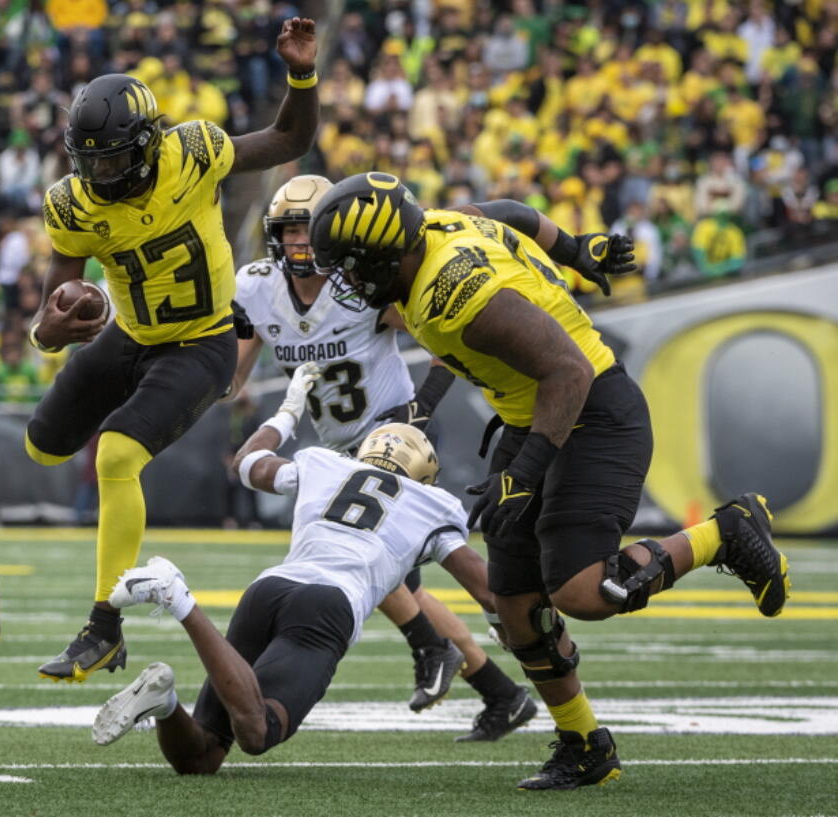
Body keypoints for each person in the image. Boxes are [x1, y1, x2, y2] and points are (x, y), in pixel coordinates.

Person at [307, 172, 792, 789]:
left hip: (591, 412)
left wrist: (524, 473)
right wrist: (575, 248)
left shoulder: (455, 292)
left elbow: (567, 371)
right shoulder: (435, 226)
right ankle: (585, 744)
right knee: (514, 604)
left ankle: (725, 532)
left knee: (584, 593)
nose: (345, 281)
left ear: (385, 256)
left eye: (351, 265)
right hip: (535, 416)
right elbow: (510, 210)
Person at [25, 17, 321, 683]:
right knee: (41, 445)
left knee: (118, 453)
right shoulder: (72, 205)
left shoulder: (191, 152)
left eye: (108, 158)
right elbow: (50, 316)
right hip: (128, 335)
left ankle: (104, 626)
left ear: (142, 145)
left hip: (202, 339)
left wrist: (300, 73)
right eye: (88, 160)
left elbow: (290, 138)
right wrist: (58, 326)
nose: (97, 172)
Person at [229, 175, 532, 735]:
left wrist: (422, 409)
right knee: (391, 579)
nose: (298, 243)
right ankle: (497, 688)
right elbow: (235, 370)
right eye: (288, 231)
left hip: (397, 437)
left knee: (359, 561)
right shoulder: (256, 289)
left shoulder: (361, 285)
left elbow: (448, 339)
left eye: (307, 230)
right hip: (338, 447)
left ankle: (444, 645)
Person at [93, 410, 521, 768]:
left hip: (267, 590)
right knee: (258, 732)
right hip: (327, 606)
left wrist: (287, 413)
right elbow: (488, 590)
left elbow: (246, 462)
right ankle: (179, 600)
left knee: (202, 755)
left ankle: (165, 702)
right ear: (424, 472)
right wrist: (503, 625)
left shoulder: (325, 463)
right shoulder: (433, 503)